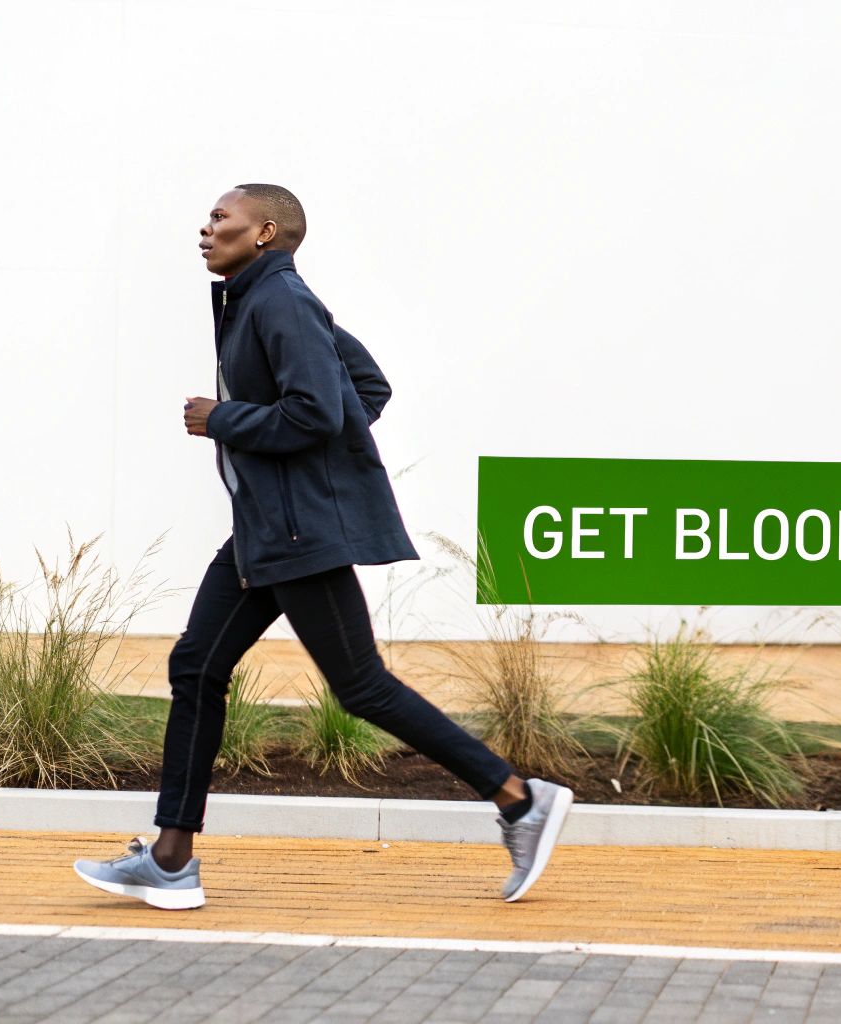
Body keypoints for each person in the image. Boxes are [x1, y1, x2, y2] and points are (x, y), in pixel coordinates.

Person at [73, 184, 572, 910]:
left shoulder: (281, 302)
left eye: (222, 220)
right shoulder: (261, 299)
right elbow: (364, 388)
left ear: (265, 232)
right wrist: (312, 464)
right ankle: (172, 859)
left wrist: (227, 420)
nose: (205, 229)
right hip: (269, 528)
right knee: (197, 665)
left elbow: (318, 409)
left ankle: (518, 799)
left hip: (297, 534)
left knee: (363, 687)